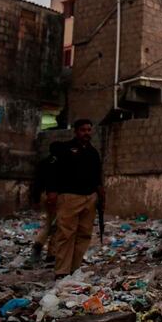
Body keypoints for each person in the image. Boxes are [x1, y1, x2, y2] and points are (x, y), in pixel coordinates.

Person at [46, 118, 105, 278]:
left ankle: (74, 268)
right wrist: (52, 191)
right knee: (66, 233)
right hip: (69, 196)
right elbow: (54, 172)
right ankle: (62, 271)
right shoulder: (65, 149)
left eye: (88, 130)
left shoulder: (93, 152)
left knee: (84, 234)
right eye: (83, 130)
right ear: (76, 131)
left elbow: (97, 177)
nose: (86, 133)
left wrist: (100, 195)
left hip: (89, 197)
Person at [26, 143, 59, 266]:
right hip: (56, 196)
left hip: (46, 195)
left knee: (51, 223)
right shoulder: (59, 164)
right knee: (56, 225)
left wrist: (35, 198)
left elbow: (37, 182)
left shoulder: (43, 163)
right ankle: (49, 253)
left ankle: (43, 249)